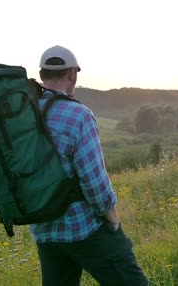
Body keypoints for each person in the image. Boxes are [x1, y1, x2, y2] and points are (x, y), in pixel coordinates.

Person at [31, 45, 148, 286]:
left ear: (42, 75)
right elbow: (94, 182)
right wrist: (112, 216)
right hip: (83, 226)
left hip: (45, 229)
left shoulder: (23, 115)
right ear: (72, 74)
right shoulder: (78, 115)